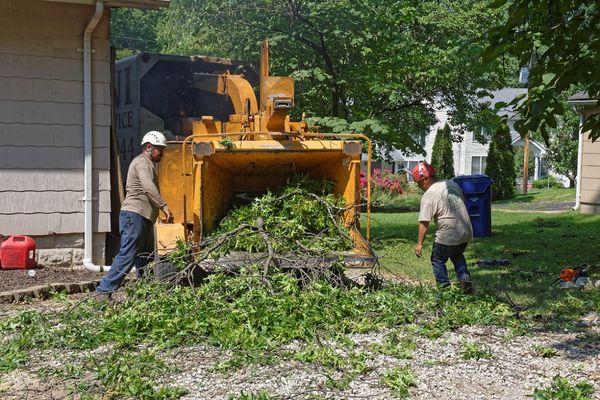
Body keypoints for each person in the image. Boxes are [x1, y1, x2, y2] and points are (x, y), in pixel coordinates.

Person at [95, 131, 173, 297]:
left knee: (145, 258)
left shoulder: (149, 164)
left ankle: (146, 294)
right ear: (149, 147)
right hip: (134, 216)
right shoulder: (142, 162)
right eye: (160, 149)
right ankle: (102, 292)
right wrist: (164, 207)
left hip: (143, 218)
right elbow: (148, 187)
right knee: (127, 255)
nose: (163, 153)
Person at [412, 161, 474, 293]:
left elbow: (424, 222)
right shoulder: (452, 184)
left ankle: (444, 289)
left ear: (425, 179)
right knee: (457, 254)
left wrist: (419, 244)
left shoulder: (429, 195)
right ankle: (464, 277)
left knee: (437, 260)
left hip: (448, 232)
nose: (419, 186)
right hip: (465, 229)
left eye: (418, 183)